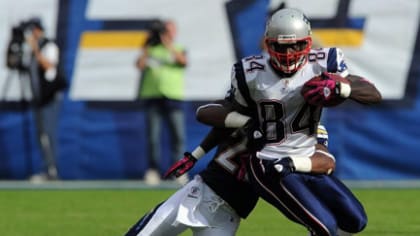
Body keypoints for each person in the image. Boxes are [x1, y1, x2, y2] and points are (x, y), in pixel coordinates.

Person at [194, 8, 382, 236]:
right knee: (324, 227)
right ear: (268, 43)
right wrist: (197, 152)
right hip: (269, 165)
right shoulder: (250, 72)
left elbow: (373, 94)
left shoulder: (324, 63)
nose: (289, 52)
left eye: (296, 45)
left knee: (355, 220)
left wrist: (343, 87)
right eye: (281, 46)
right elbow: (222, 115)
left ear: (309, 42)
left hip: (307, 159)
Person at [124, 121, 336, 236]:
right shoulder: (256, 106)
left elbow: (325, 160)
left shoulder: (308, 127)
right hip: (199, 193)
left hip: (229, 214)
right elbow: (211, 113)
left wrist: (292, 163)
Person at [136, 19, 188, 185]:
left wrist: (168, 45)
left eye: (171, 30)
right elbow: (139, 65)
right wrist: (147, 44)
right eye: (165, 31)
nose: (168, 33)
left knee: (177, 136)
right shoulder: (151, 49)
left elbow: (183, 61)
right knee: (153, 136)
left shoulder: (178, 48)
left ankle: (178, 171)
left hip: (173, 96)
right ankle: (153, 170)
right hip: (153, 96)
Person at [25, 17, 66, 181]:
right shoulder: (32, 49)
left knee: (48, 134)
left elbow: (49, 66)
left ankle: (52, 169)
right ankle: (46, 168)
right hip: (39, 97)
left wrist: (35, 48)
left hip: (49, 98)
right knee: (41, 135)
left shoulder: (49, 45)